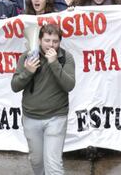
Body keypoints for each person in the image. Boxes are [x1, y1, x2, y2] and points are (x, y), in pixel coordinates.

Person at [11, 24, 75, 175]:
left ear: (60, 42)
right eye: (47, 40)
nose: (51, 45)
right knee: (37, 161)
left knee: (53, 165)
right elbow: (15, 86)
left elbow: (69, 85)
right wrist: (28, 72)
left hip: (56, 116)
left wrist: (55, 64)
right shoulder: (27, 56)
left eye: (55, 41)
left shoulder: (65, 58)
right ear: (40, 40)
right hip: (31, 116)